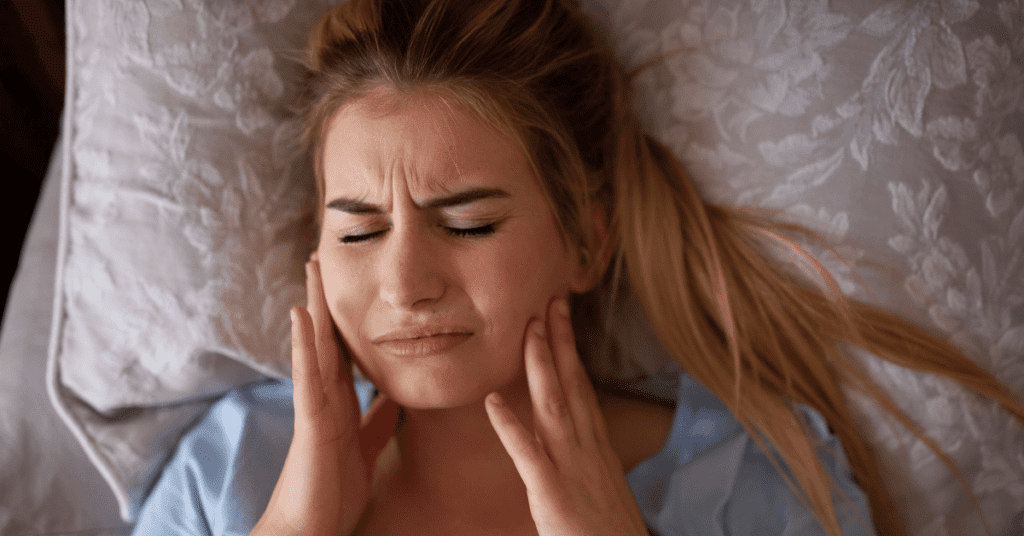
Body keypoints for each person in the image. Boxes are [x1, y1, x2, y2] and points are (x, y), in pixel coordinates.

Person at [131, 0, 1024, 535]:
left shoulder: (749, 483)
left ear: (587, 242)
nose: (405, 285)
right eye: (359, 232)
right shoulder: (229, 469)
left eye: (471, 223)